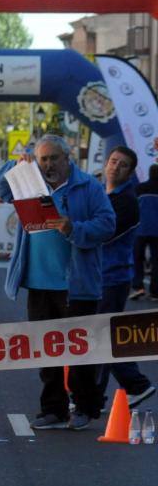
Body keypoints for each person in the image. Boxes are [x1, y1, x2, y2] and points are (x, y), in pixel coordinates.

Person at [0, 134, 115, 430]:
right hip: (38, 281)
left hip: (76, 284)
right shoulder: (28, 183)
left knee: (81, 350)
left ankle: (84, 407)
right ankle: (53, 409)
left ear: (67, 158)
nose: (48, 165)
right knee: (46, 349)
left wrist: (75, 228)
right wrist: (15, 165)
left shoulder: (89, 187)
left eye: (53, 158)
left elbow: (107, 224)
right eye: (43, 159)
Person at [96, 147, 155, 408]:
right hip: (98, 276)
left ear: (130, 172)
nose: (115, 167)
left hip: (113, 277)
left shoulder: (127, 202)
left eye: (122, 165)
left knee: (98, 337)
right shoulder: (101, 193)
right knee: (102, 335)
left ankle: (92, 399)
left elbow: (102, 234)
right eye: (113, 161)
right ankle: (136, 384)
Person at [131, 163, 158, 301]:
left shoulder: (140, 188)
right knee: (156, 261)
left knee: (137, 259)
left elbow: (133, 210)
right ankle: (155, 292)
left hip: (140, 230)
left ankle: (138, 287)